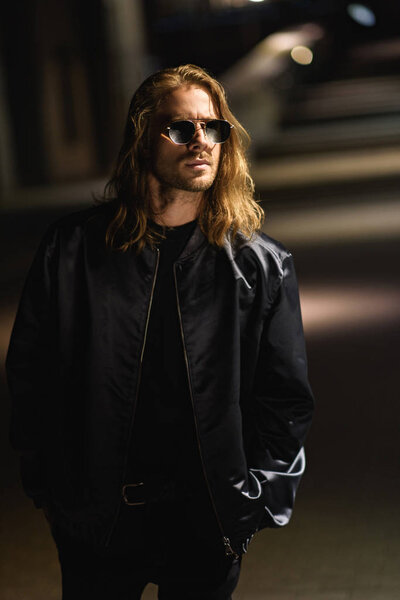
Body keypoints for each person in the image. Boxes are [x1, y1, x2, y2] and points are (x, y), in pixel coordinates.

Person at [6, 64, 314, 599]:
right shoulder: (71, 250)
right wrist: (56, 494)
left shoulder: (261, 265)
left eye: (213, 128)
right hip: (99, 521)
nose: (201, 142)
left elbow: (284, 400)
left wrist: (252, 499)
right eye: (180, 128)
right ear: (143, 138)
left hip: (207, 520)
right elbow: (32, 379)